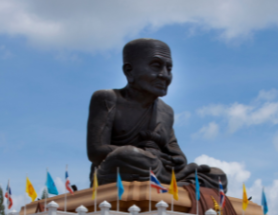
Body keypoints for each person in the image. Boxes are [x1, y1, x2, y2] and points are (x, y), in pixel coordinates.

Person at [86, 38, 227, 189]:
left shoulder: (166, 111)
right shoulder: (108, 98)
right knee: (128, 154)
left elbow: (175, 152)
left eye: (169, 69)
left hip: (157, 169)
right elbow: (96, 151)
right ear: (129, 71)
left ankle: (172, 184)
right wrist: (147, 155)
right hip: (123, 169)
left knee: (217, 176)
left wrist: (177, 160)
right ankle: (173, 184)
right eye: (156, 66)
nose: (165, 75)